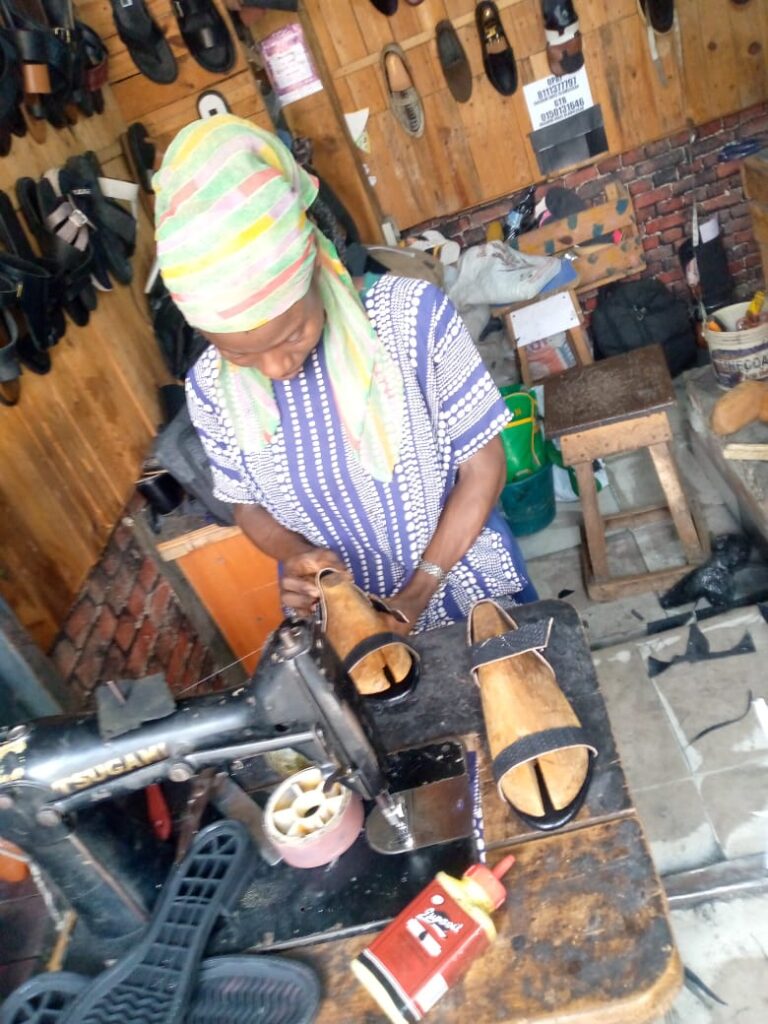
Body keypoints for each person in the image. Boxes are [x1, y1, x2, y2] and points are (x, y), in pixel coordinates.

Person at [154, 115, 537, 634]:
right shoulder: (209, 390)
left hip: (460, 587)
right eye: (241, 354)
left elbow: (483, 465)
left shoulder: (409, 319)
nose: (276, 367)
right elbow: (246, 505)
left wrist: (419, 591)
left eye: (291, 334)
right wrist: (300, 557)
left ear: (314, 261)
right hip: (342, 620)